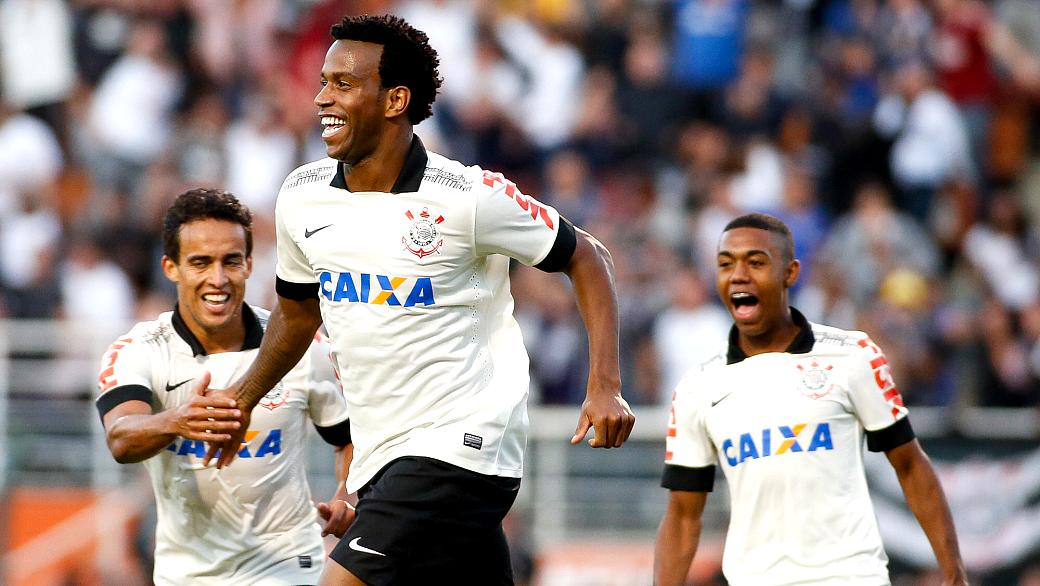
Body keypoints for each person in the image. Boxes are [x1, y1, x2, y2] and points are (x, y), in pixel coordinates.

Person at [203, 14, 636, 586]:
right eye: (323, 81)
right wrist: (243, 400)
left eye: (342, 83)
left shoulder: (466, 197)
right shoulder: (302, 195)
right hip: (386, 456)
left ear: (394, 99)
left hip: (463, 446)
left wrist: (604, 384)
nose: (321, 97)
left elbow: (588, 256)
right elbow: (298, 312)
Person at [654, 213, 968, 586]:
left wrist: (953, 574)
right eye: (726, 264)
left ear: (790, 272)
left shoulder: (852, 355)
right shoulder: (698, 387)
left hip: (851, 577)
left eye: (755, 262)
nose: (738, 275)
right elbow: (683, 515)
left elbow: (911, 466)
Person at [95, 189, 354, 585]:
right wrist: (177, 421)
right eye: (200, 262)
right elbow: (121, 438)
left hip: (287, 566)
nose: (218, 279)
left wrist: (346, 497)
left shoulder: (298, 346)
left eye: (231, 261)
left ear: (250, 264)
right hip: (185, 574)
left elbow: (352, 439)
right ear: (171, 267)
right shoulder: (140, 349)